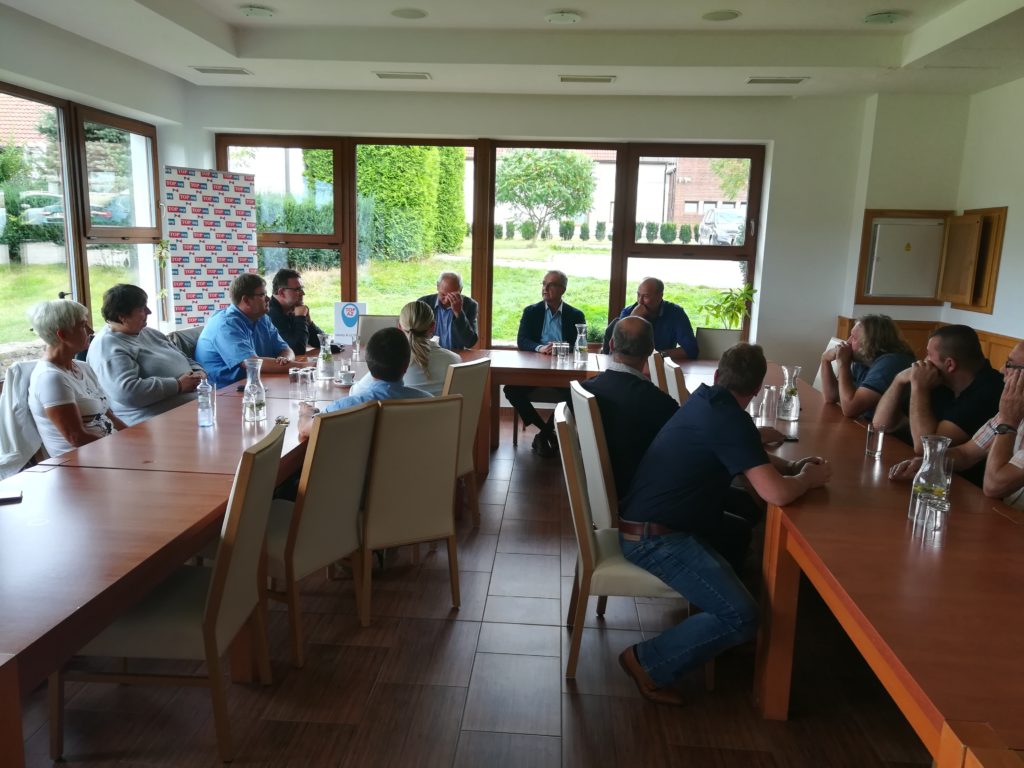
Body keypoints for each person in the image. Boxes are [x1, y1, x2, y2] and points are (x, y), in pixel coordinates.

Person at [616, 343, 831, 705]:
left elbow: (748, 457)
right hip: (655, 540)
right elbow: (776, 494)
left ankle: (719, 634)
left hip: (653, 521)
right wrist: (807, 479)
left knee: (739, 532)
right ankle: (647, 661)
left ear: (718, 375)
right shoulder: (730, 420)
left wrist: (794, 467)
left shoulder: (707, 401)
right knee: (743, 616)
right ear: (757, 389)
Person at [889, 342, 1024, 510]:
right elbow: (965, 453)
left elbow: (994, 486)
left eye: (1010, 365)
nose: (1003, 370)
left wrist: (1008, 422)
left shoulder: (1010, 413)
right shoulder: (1015, 409)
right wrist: (927, 462)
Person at [872, 325, 1004, 477]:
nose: (924, 361)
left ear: (950, 364)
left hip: (956, 482)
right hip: (917, 467)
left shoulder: (990, 391)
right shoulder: (939, 382)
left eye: (929, 355)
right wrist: (898, 380)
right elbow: (880, 425)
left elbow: (925, 448)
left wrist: (919, 387)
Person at [582, 315, 679, 496]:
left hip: (594, 487)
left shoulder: (585, 389)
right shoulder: (661, 404)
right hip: (640, 493)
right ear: (651, 349)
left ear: (611, 344)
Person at [86, 284, 204, 425]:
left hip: (193, 409)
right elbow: (128, 392)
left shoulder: (149, 332)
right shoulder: (106, 346)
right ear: (123, 316)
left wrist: (198, 371)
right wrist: (178, 385)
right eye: (142, 309)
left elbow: (184, 358)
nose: (149, 311)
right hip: (153, 424)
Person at [27, 299, 128, 458]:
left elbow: (109, 415)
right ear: (62, 334)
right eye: (83, 325)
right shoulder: (51, 378)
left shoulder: (83, 367)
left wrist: (133, 437)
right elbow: (76, 438)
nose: (90, 330)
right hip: (82, 463)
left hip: (108, 451)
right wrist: (124, 450)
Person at [505, 270, 586, 457]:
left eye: (551, 285)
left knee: (575, 393)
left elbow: (578, 345)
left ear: (562, 289)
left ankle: (543, 435)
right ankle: (546, 432)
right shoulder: (531, 312)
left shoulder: (575, 315)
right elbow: (522, 341)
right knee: (511, 390)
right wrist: (540, 347)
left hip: (562, 369)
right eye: (543, 284)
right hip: (534, 368)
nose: (545, 288)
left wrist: (558, 347)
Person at [300, 327, 430, 440]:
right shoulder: (429, 403)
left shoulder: (345, 408)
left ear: (368, 364)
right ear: (406, 366)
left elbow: (305, 430)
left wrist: (306, 413)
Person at [195, 273, 295, 387]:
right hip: (223, 391)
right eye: (262, 295)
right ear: (246, 300)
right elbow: (252, 363)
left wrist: (285, 360)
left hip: (255, 383)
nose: (268, 299)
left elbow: (286, 349)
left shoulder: (262, 318)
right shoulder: (225, 324)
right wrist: (303, 366)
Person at [350, 300, 460, 397]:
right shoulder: (454, 361)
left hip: (396, 415)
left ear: (399, 326)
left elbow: (355, 393)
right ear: (433, 327)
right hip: (440, 415)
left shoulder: (390, 362)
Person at [819, 314, 914, 419]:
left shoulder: (891, 363)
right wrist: (825, 360)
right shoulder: (864, 359)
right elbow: (832, 396)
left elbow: (850, 408)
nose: (848, 342)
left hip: (890, 429)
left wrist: (843, 364)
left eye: (854, 338)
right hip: (866, 424)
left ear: (871, 343)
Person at [617, 277, 698, 360]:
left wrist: (657, 356)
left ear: (660, 296)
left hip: (662, 365)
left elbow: (691, 349)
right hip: (632, 365)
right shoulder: (628, 312)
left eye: (646, 296)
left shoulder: (675, 313)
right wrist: (633, 320)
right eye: (638, 295)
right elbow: (618, 349)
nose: (640, 302)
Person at [267, 268, 326, 357]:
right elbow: (297, 349)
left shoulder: (291, 308)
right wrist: (301, 318)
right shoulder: (271, 313)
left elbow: (324, 342)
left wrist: (308, 322)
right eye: (298, 289)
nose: (303, 293)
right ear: (281, 292)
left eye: (302, 289)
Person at [417, 271, 479, 350]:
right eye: (443, 294)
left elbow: (470, 343)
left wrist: (459, 313)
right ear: (437, 286)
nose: (446, 300)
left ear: (460, 290)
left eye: (452, 296)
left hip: (457, 355)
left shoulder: (470, 305)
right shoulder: (423, 303)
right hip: (430, 353)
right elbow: (415, 335)